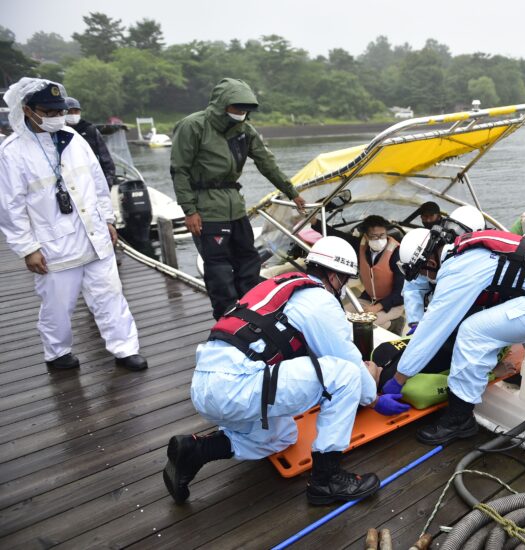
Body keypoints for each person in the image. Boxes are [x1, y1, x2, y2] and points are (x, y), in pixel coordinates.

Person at [163, 236, 404, 506]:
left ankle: (196, 450)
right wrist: (373, 397)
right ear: (335, 277)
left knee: (282, 436)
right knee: (346, 375)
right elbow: (346, 359)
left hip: (207, 388)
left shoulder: (277, 287)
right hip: (238, 387)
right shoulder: (321, 301)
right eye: (344, 280)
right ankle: (326, 480)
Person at [382, 224, 525, 445]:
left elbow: (432, 331)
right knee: (489, 326)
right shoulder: (463, 251)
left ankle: (459, 418)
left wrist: (398, 379)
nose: (424, 278)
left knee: (473, 332)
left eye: (422, 273)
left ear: (431, 263)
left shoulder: (457, 270)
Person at [0, 78, 146, 371]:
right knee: (57, 305)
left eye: (59, 111)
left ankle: (125, 349)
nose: (56, 117)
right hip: (54, 244)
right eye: (49, 112)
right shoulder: (13, 151)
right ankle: (57, 352)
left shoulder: (74, 139)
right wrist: (27, 248)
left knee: (110, 296)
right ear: (28, 110)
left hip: (94, 236)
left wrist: (107, 219)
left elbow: (97, 183)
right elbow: (9, 206)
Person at [171, 77, 307, 320]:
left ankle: (252, 315)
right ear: (222, 105)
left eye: (246, 109)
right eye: (237, 108)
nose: (241, 113)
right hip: (207, 208)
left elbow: (267, 163)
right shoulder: (193, 126)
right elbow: (179, 169)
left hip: (235, 205)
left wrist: (291, 192)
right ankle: (227, 319)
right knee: (219, 269)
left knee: (249, 261)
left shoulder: (245, 131)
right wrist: (189, 210)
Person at [402, 205, 485, 336]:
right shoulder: (432, 251)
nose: (455, 236)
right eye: (451, 228)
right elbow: (413, 286)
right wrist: (415, 321)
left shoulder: (476, 260)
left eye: (461, 232)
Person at [342, 215, 406, 330]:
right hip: (369, 298)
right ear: (366, 237)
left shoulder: (397, 254)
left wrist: (377, 307)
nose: (379, 239)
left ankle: (395, 324)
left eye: (382, 235)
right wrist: (315, 222)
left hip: (393, 304)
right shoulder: (362, 246)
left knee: (366, 326)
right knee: (342, 316)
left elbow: (400, 293)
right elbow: (339, 235)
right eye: (374, 236)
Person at [64, 97, 117, 189]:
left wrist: (108, 183)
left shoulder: (90, 130)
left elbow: (107, 161)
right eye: (69, 112)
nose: (73, 114)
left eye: (76, 111)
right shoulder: (58, 132)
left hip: (94, 180)